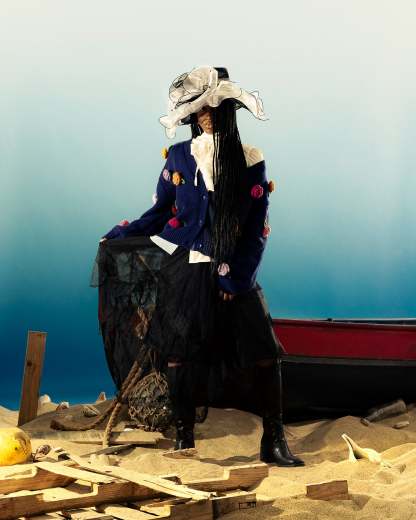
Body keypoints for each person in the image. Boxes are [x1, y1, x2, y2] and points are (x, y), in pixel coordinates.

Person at [99, 66, 304, 467]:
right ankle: (184, 438)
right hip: (185, 265)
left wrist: (237, 277)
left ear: (228, 108)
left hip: (233, 267)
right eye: (198, 109)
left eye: (212, 107)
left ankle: (273, 440)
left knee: (265, 353)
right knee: (179, 356)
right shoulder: (178, 156)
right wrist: (120, 234)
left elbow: (256, 229)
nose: (204, 115)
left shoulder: (250, 159)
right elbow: (160, 213)